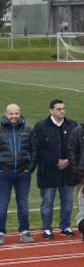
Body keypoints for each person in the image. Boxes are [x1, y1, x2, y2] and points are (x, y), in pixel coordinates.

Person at [31, 99, 77, 239]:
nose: (62, 111)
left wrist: (68, 161)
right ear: (51, 110)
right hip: (48, 172)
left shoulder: (72, 125)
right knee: (47, 201)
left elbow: (76, 146)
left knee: (68, 202)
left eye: (63, 108)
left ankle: (65, 226)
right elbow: (38, 149)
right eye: (58, 109)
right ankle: (46, 228)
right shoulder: (40, 127)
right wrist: (55, 161)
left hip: (68, 172)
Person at [0, 103, 35, 245]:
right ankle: (1, 232)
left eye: (16, 113)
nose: (14, 116)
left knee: (23, 203)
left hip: (22, 173)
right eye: (11, 114)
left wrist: (29, 168)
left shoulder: (27, 129)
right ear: (5, 114)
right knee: (2, 204)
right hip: (3, 173)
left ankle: (24, 231)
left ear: (19, 113)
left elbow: (34, 150)